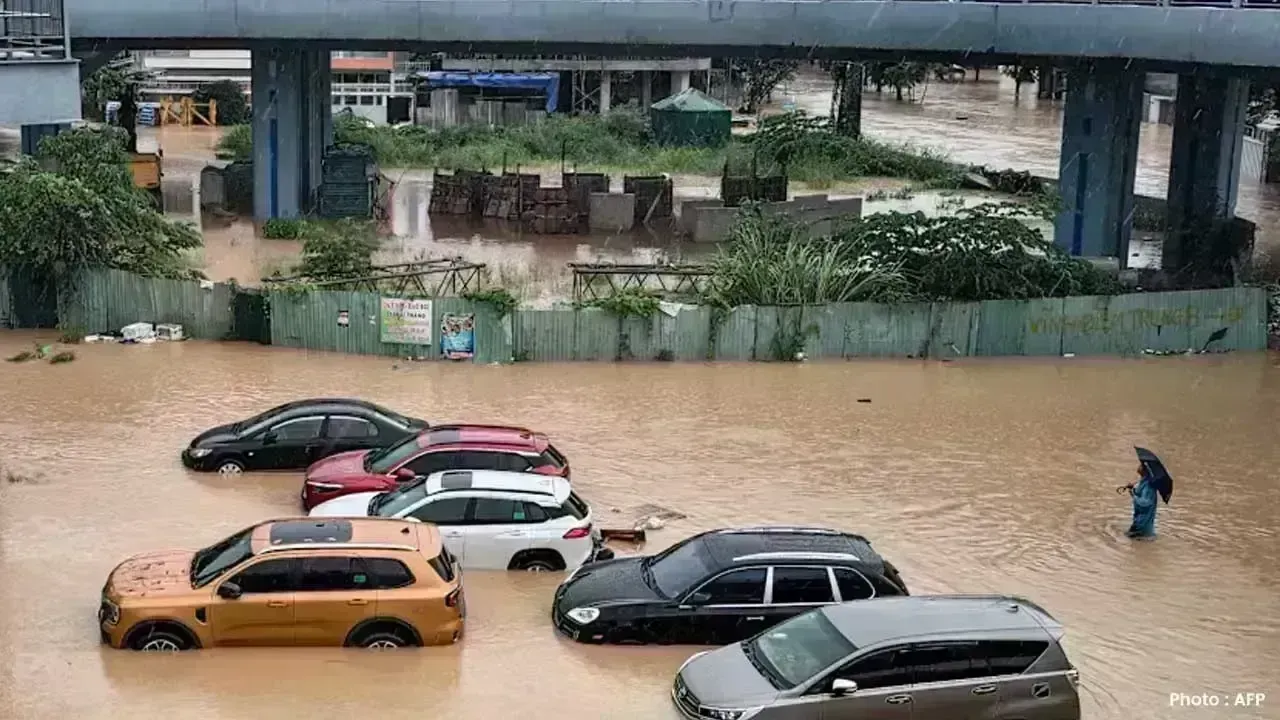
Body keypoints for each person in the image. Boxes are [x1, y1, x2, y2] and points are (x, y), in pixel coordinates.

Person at [1124, 463, 1159, 539]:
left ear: (1146, 470)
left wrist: (1133, 494)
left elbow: (1144, 504)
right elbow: (1139, 494)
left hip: (1142, 524)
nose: (1139, 466)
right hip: (1139, 521)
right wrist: (1132, 489)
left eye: (1141, 465)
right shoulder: (1144, 482)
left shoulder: (1149, 486)